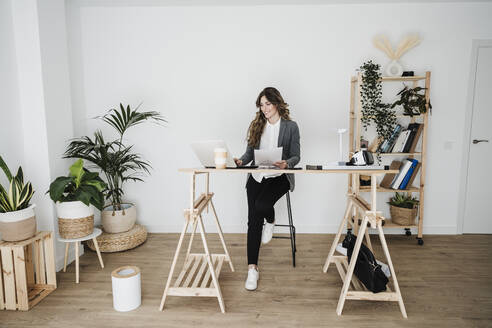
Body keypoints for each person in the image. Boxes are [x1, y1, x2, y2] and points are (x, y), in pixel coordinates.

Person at [234, 87, 300, 291]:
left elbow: (297, 156)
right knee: (253, 221)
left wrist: (286, 163)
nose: (264, 109)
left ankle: (270, 220)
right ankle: (252, 269)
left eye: (268, 104)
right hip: (257, 175)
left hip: (279, 176)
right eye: (261, 105)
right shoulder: (256, 124)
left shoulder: (291, 127)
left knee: (262, 205)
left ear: (277, 103)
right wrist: (240, 161)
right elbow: (248, 154)